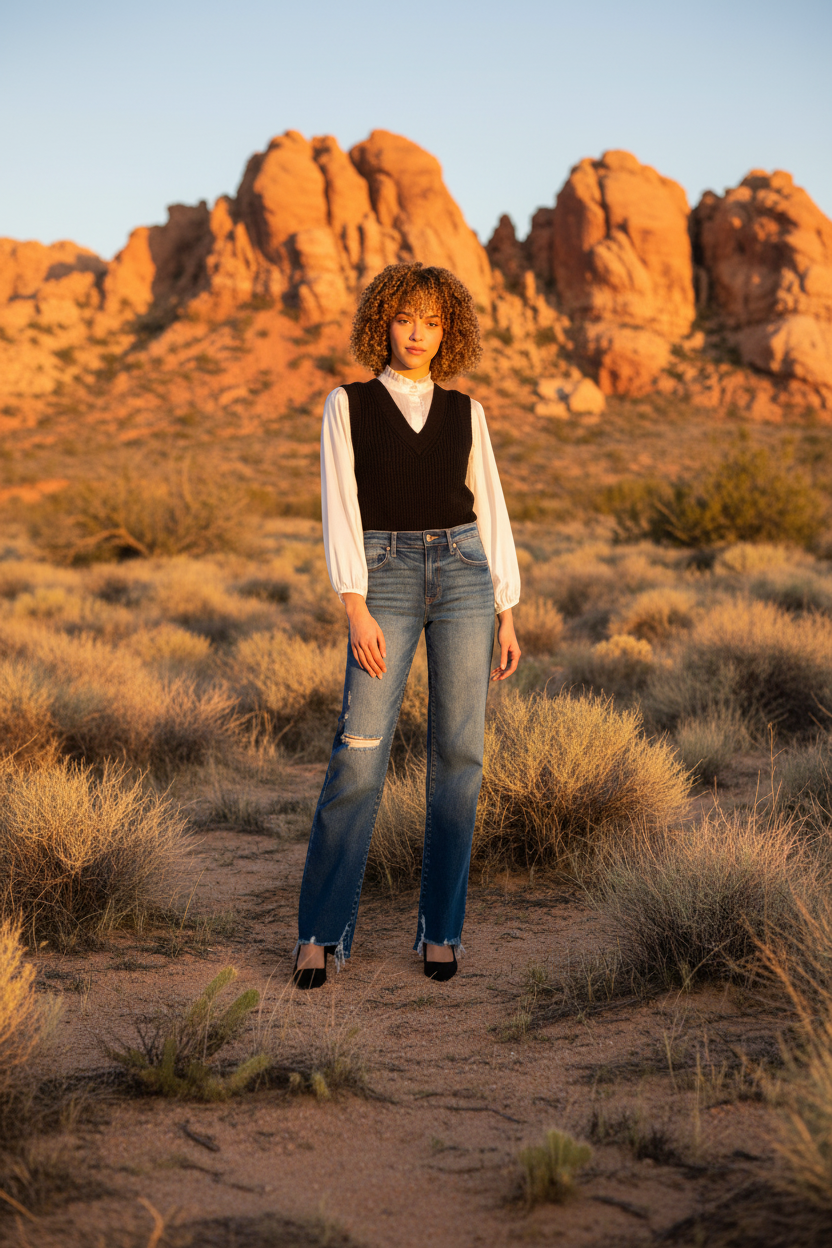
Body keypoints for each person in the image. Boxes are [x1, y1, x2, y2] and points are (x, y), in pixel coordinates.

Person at [293, 261, 521, 988]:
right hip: (381, 574)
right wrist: (353, 601)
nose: (417, 333)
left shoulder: (467, 413)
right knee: (359, 753)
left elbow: (489, 508)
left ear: (446, 329)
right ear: (380, 324)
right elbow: (339, 507)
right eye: (403, 318)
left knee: (460, 757)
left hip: (463, 574)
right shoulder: (347, 404)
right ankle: (322, 933)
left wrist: (506, 610)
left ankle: (441, 932)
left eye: (431, 320)